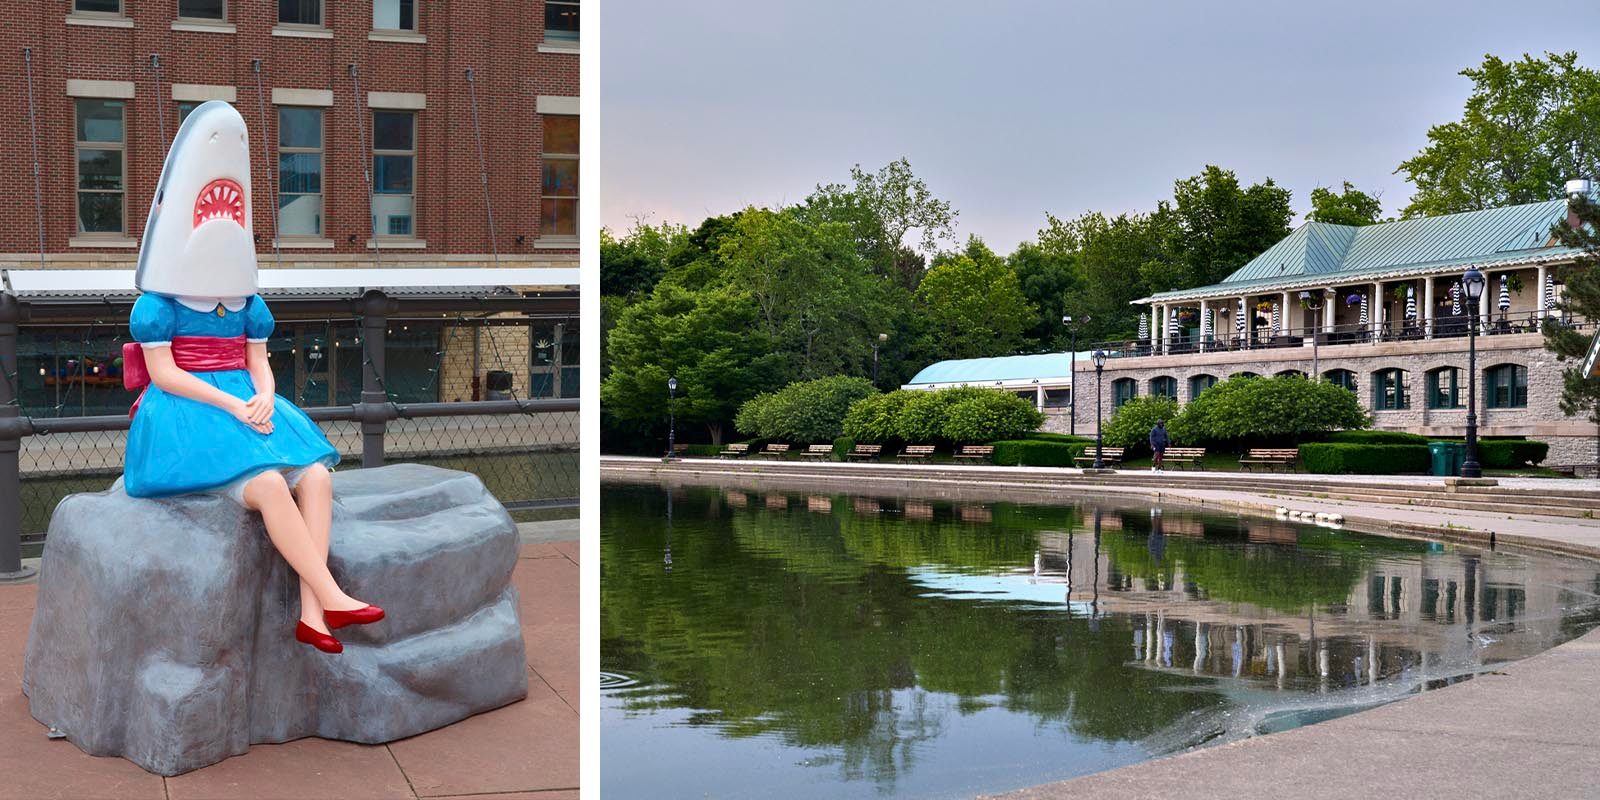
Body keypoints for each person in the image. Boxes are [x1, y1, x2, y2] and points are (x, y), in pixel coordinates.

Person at [122, 100, 382, 655]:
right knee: (266, 484)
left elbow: (258, 359)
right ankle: (332, 592)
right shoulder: (157, 306)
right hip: (186, 407)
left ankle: (315, 613)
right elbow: (164, 374)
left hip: (243, 397)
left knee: (315, 476)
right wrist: (231, 404)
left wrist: (264, 394)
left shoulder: (249, 303)